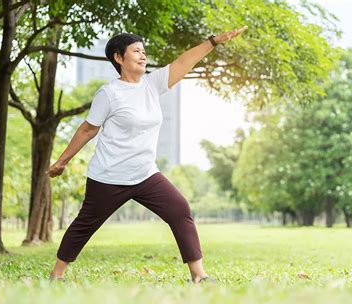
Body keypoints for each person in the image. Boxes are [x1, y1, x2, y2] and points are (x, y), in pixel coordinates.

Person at [46, 26, 248, 284]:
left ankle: (199, 275)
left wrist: (213, 41)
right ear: (119, 58)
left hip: (145, 174)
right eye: (136, 51)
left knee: (179, 209)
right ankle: (58, 272)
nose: (143, 56)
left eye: (144, 51)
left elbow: (184, 61)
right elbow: (88, 129)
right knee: (86, 224)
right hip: (109, 176)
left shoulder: (152, 85)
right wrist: (61, 162)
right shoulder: (109, 93)